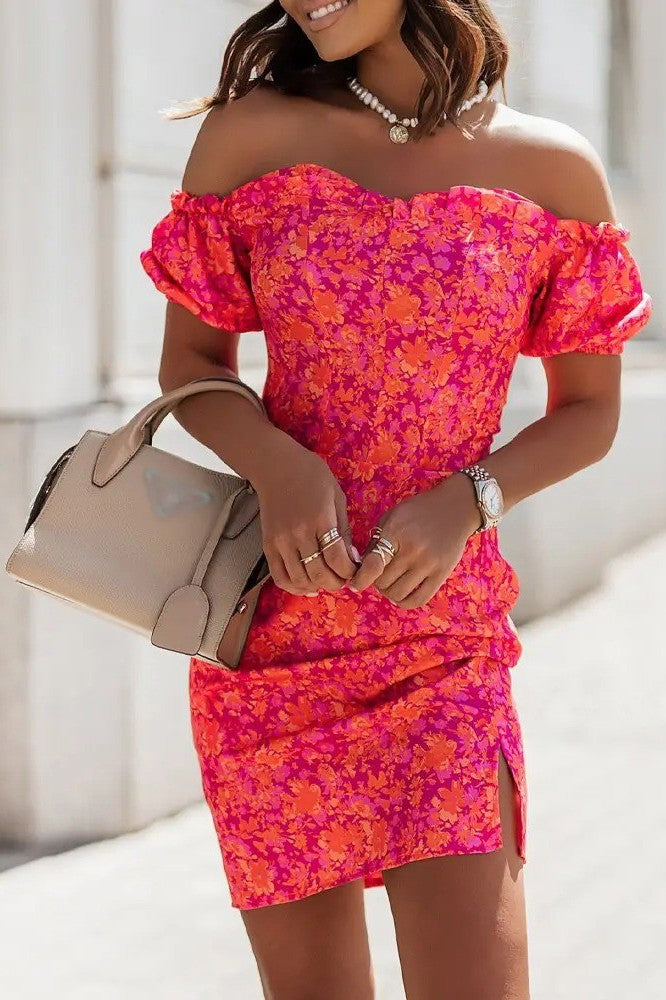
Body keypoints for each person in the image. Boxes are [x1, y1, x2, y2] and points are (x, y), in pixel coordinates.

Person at [139, 1, 652, 996]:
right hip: (273, 646)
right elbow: (191, 366)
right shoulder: (251, 133)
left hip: (444, 646)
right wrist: (280, 465)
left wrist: (473, 496)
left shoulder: (553, 170)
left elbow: (589, 412)